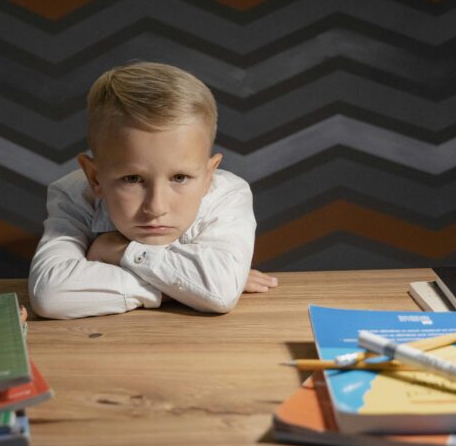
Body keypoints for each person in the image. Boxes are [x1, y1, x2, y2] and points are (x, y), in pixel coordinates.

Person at [28, 61, 278, 319]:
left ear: (208, 176)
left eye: (180, 177)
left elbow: (220, 291)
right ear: (95, 177)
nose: (156, 207)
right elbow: (51, 294)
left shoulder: (228, 194)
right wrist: (185, 289)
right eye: (133, 179)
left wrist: (119, 250)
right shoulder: (72, 195)